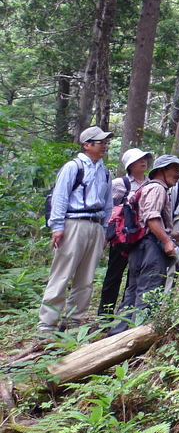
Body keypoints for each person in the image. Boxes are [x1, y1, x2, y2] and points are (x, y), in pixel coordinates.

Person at [38, 126, 114, 337]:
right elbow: (60, 197)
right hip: (74, 224)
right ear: (87, 145)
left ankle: (74, 323)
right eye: (100, 143)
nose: (104, 146)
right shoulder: (73, 167)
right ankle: (47, 326)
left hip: (96, 226)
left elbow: (108, 203)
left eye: (105, 142)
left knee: (86, 278)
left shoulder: (104, 171)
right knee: (62, 274)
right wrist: (57, 227)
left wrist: (105, 229)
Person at [111, 155, 179, 336]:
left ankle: (118, 335)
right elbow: (152, 218)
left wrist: (173, 234)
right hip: (150, 248)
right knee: (148, 292)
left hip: (140, 246)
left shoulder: (148, 187)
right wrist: (167, 241)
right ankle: (137, 339)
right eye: (173, 169)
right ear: (160, 171)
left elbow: (148, 221)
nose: (178, 174)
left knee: (133, 291)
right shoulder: (157, 188)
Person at [98, 148, 153, 318]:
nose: (143, 162)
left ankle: (126, 314)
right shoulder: (120, 184)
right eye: (138, 160)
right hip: (121, 237)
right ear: (130, 165)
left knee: (134, 277)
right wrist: (106, 234)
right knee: (114, 275)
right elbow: (109, 209)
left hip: (142, 237)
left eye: (144, 159)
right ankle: (105, 315)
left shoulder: (151, 183)